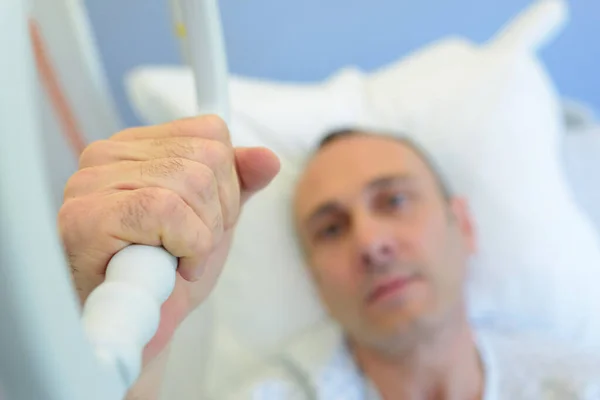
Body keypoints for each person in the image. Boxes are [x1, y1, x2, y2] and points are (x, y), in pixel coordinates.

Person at [59, 116, 599, 400]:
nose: (370, 243)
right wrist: (141, 344)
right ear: (315, 280)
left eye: (395, 200)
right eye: (331, 228)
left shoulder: (579, 383)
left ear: (465, 225)